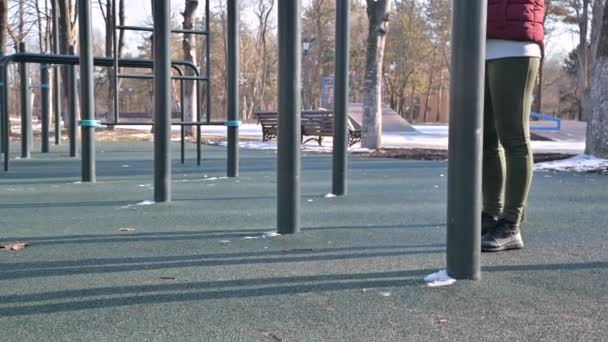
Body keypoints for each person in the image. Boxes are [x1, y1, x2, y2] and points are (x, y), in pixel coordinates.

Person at [481, 0, 544, 252]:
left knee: (513, 137)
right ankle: (491, 215)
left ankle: (511, 223)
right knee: (486, 138)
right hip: (479, 42)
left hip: (516, 45)